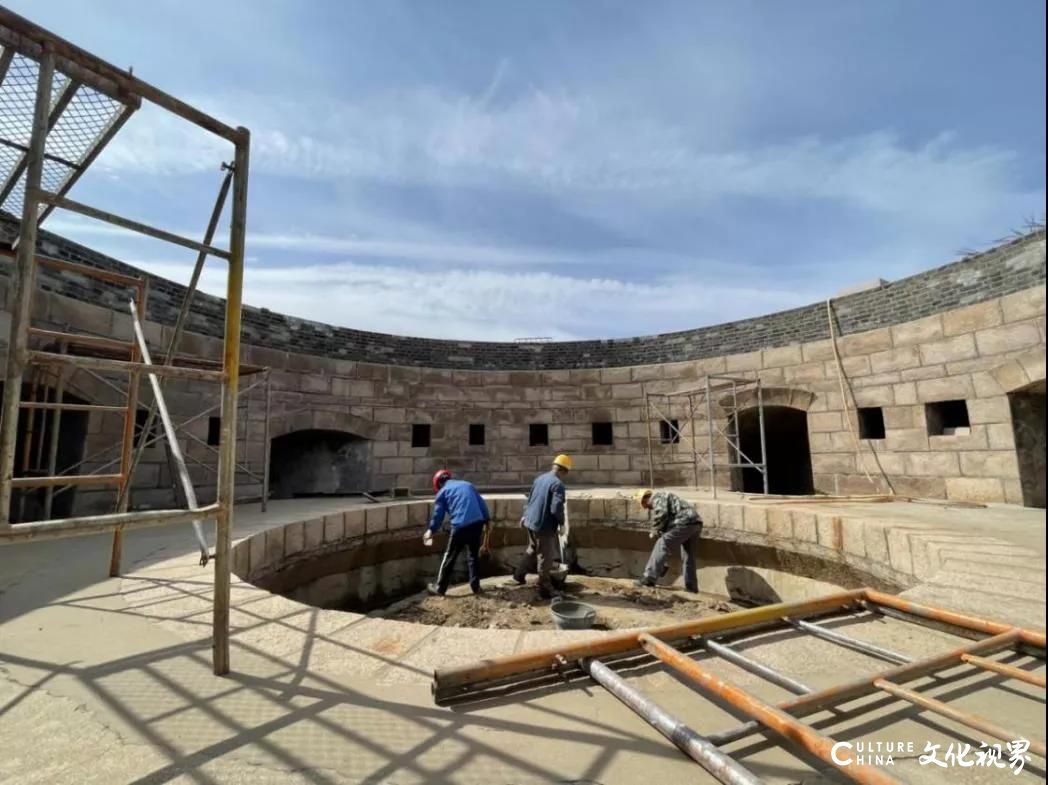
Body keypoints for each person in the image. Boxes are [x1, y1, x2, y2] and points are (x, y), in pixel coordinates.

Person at [512, 454, 572, 598]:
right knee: (546, 557)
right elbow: (556, 508)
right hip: (543, 526)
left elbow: (531, 498)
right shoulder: (558, 485)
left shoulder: (540, 479)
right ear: (564, 471)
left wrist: (525, 515)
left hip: (531, 522)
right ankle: (545, 588)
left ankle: (519, 574)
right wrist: (561, 523)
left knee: (532, 549)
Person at [424, 469, 491, 596]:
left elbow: (438, 516)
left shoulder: (442, 493)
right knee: (473, 556)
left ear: (438, 485)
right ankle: (475, 587)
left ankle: (440, 588)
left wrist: (431, 530)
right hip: (477, 523)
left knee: (449, 557)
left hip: (460, 526)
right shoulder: (467, 485)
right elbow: (482, 504)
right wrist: (487, 520)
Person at [634, 489, 702, 592]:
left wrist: (655, 529)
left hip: (684, 522)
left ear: (644, 500)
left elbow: (662, 513)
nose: (648, 508)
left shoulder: (657, 497)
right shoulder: (665, 497)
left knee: (662, 543)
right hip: (695, 523)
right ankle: (691, 587)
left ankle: (649, 578)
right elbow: (669, 517)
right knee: (688, 557)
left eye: (645, 505)